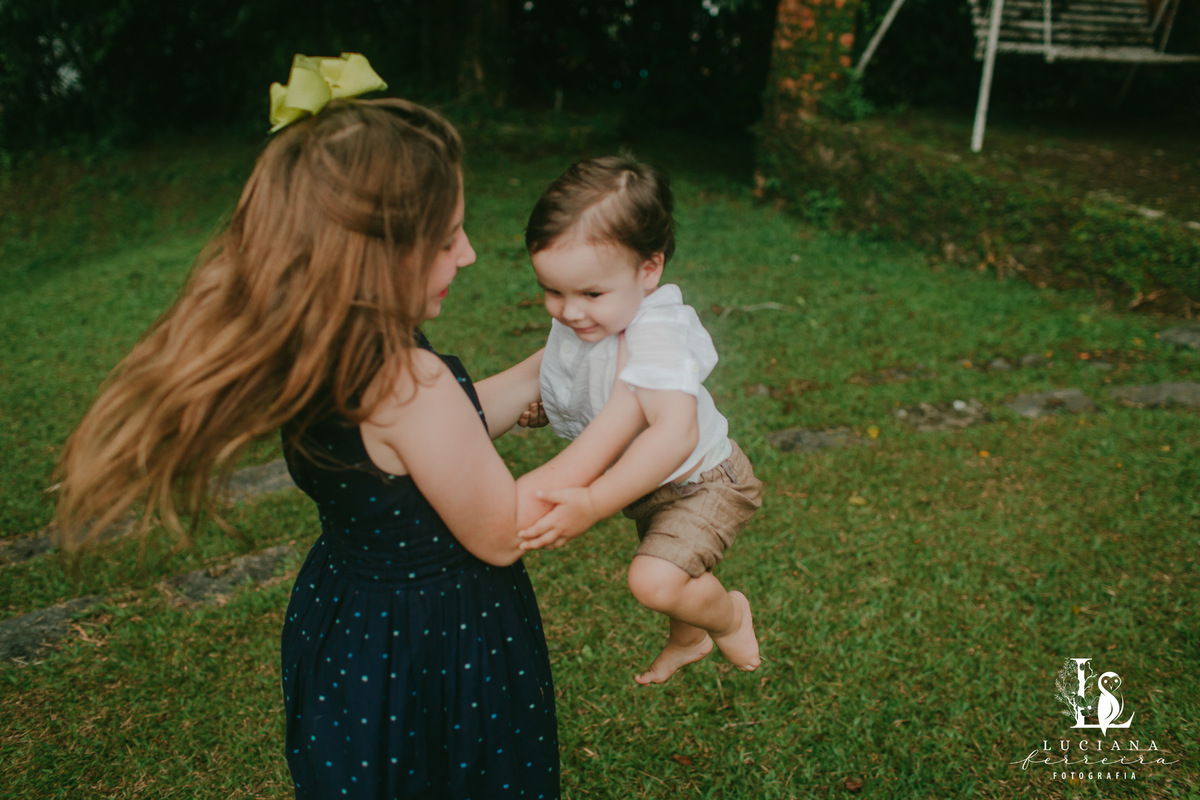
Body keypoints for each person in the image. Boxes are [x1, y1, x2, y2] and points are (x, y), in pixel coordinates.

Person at [52, 54, 638, 800]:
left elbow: (433, 446)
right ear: (381, 254)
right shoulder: (405, 382)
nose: (470, 253)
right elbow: (500, 528)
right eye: (448, 237)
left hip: (354, 624)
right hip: (435, 644)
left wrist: (567, 351)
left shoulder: (318, 342)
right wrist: (626, 410)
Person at [515, 155, 764, 686]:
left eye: (589, 294)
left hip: (702, 482)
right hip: (652, 488)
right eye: (552, 291)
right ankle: (688, 638)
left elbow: (675, 431)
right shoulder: (589, 316)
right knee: (675, 581)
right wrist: (548, 407)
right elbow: (588, 381)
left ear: (649, 269)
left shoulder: (657, 331)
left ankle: (730, 615)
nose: (569, 310)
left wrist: (593, 500)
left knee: (655, 580)